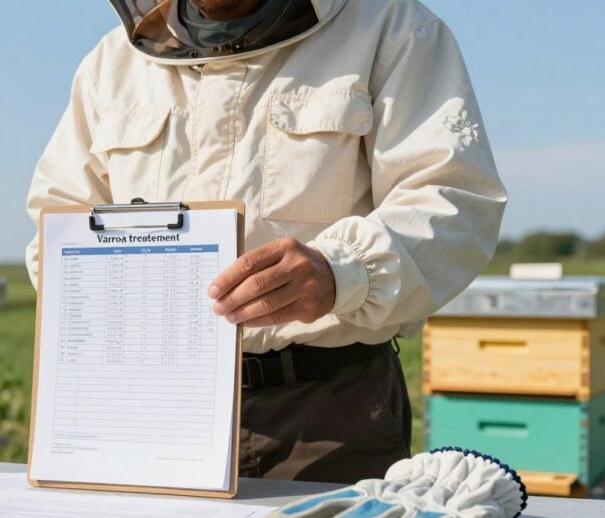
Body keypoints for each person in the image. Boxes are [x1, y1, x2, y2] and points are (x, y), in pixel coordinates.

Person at [25, 0, 506, 484]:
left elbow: (452, 199)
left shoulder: (392, 29)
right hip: (151, 407)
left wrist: (339, 270)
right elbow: (57, 220)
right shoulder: (111, 64)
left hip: (325, 412)